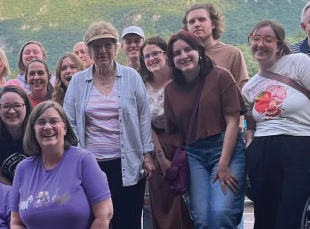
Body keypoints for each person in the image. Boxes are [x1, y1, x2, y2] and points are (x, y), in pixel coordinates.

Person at [242, 20, 310, 229]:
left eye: (268, 40)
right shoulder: (249, 87)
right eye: (256, 39)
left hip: (304, 146)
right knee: (265, 214)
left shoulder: (297, 62)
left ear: (279, 45)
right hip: (264, 151)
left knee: (295, 212)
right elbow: (251, 125)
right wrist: (250, 146)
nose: (260, 44)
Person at [64, 21, 154, 229]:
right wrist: (74, 158)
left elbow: (143, 117)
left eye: (108, 45)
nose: (102, 50)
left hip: (128, 164)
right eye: (96, 46)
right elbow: (70, 123)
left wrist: (147, 154)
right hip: (91, 166)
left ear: (116, 48)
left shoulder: (131, 77)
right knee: (95, 222)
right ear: (88, 51)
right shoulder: (78, 82)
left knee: (128, 221)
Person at [163, 31, 245, 228]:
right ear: (172, 60)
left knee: (221, 214)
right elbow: (173, 131)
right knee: (201, 218)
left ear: (199, 51)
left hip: (226, 148)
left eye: (188, 49)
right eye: (177, 53)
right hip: (194, 155)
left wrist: (223, 164)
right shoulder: (170, 90)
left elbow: (233, 121)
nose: (183, 56)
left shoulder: (220, 76)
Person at [9, 101, 113, 229]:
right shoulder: (23, 169)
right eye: (41, 122)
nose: (47, 127)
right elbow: (16, 222)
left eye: (54, 121)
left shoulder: (83, 160)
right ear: (33, 130)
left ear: (65, 128)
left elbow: (104, 215)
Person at [138, 37, 192, 229]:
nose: (151, 59)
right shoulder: (142, 85)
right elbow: (144, 123)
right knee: (164, 207)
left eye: (155, 53)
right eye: (146, 56)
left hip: (187, 145)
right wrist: (159, 156)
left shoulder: (182, 79)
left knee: (190, 208)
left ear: (166, 54)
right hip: (157, 146)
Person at [183, 3, 249, 89]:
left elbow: (243, 90)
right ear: (187, 28)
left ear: (213, 24)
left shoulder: (232, 53)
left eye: (202, 19)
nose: (196, 24)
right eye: (192, 21)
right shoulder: (182, 57)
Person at [0, 86, 31, 185]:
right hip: (5, 190)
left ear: (26, 107)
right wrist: (15, 194)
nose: (12, 111)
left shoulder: (36, 130)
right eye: (6, 106)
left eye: (17, 105)